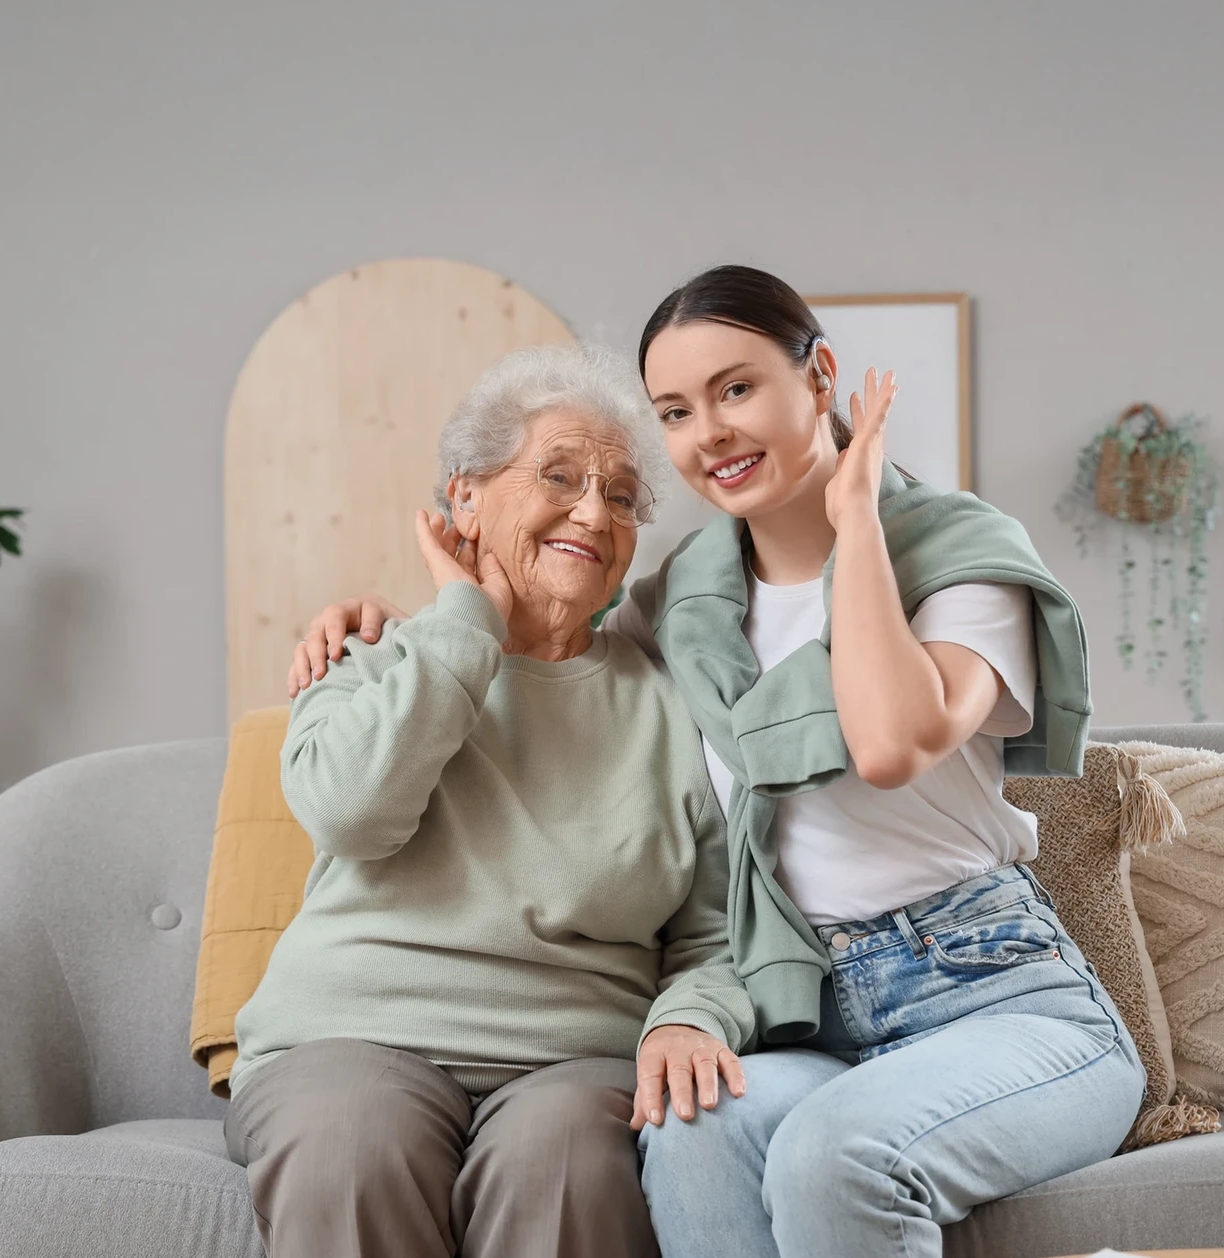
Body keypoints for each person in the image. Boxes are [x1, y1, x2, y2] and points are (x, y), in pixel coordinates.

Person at [289, 266, 1142, 1258]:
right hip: (799, 1011)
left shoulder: (958, 555)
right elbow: (549, 642)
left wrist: (856, 520)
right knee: (686, 1131)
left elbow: (891, 740)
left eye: (737, 389)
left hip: (985, 987)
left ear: (818, 376)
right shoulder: (682, 604)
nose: (711, 432)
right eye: (677, 412)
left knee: (833, 1160)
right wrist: (392, 625)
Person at [229, 343, 753, 1258]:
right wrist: (464, 627)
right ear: (464, 497)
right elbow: (352, 811)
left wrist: (692, 1015)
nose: (594, 511)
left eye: (622, 496)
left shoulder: (671, 703)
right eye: (559, 476)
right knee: (349, 1153)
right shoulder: (366, 659)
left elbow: (712, 934)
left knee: (569, 1170)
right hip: (349, 1037)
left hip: (572, 1061)